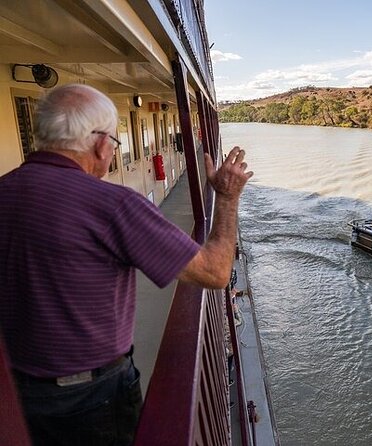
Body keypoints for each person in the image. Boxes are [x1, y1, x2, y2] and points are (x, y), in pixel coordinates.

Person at [0, 84, 253, 446]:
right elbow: (215, 272)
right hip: (92, 399)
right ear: (101, 144)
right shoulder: (113, 204)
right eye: (117, 144)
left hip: (12, 391)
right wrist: (227, 198)